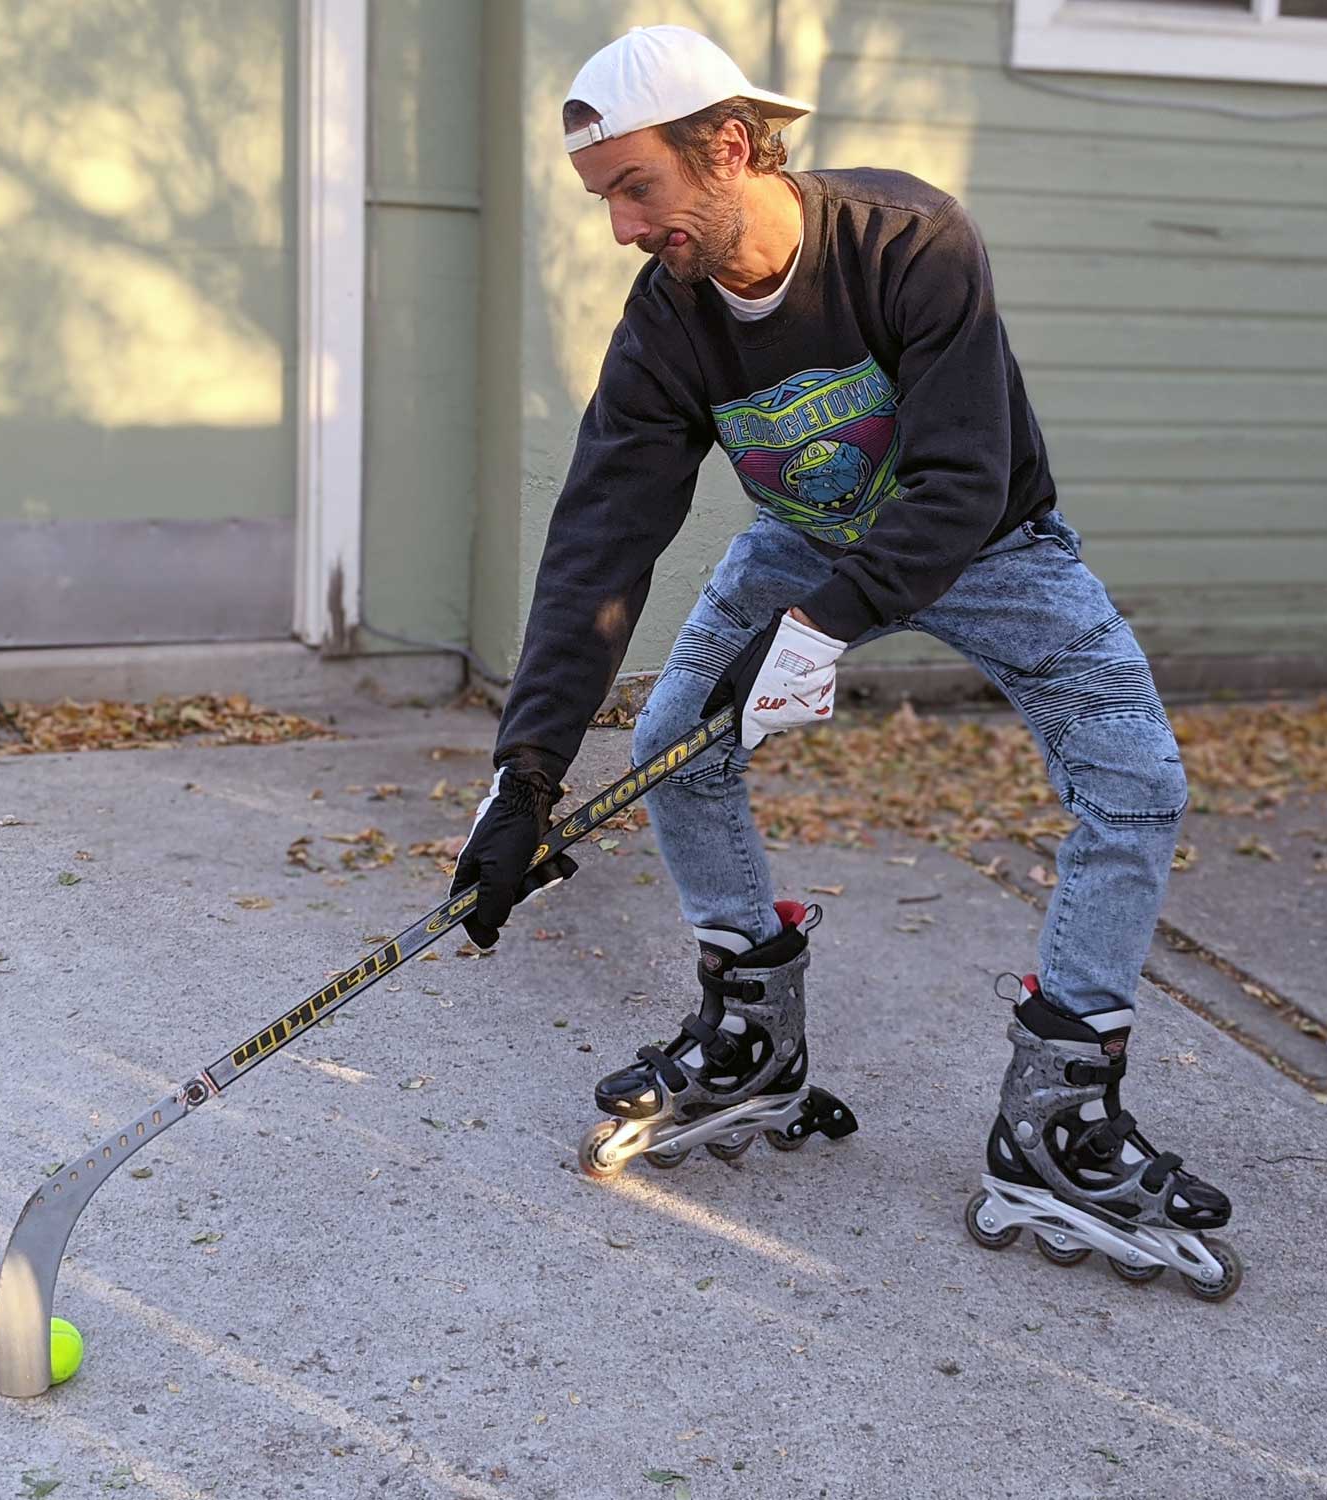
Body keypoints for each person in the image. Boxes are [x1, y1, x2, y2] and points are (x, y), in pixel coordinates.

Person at [451, 25, 1239, 1296]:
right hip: (804, 540)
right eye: (603, 203)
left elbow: (960, 476)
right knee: (675, 751)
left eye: (635, 190)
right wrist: (523, 779)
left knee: (1136, 784)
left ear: (726, 146)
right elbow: (601, 544)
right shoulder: (668, 326)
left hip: (992, 543)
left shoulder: (906, 240)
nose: (622, 230)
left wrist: (819, 629)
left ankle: (1058, 1110)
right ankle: (751, 1034)